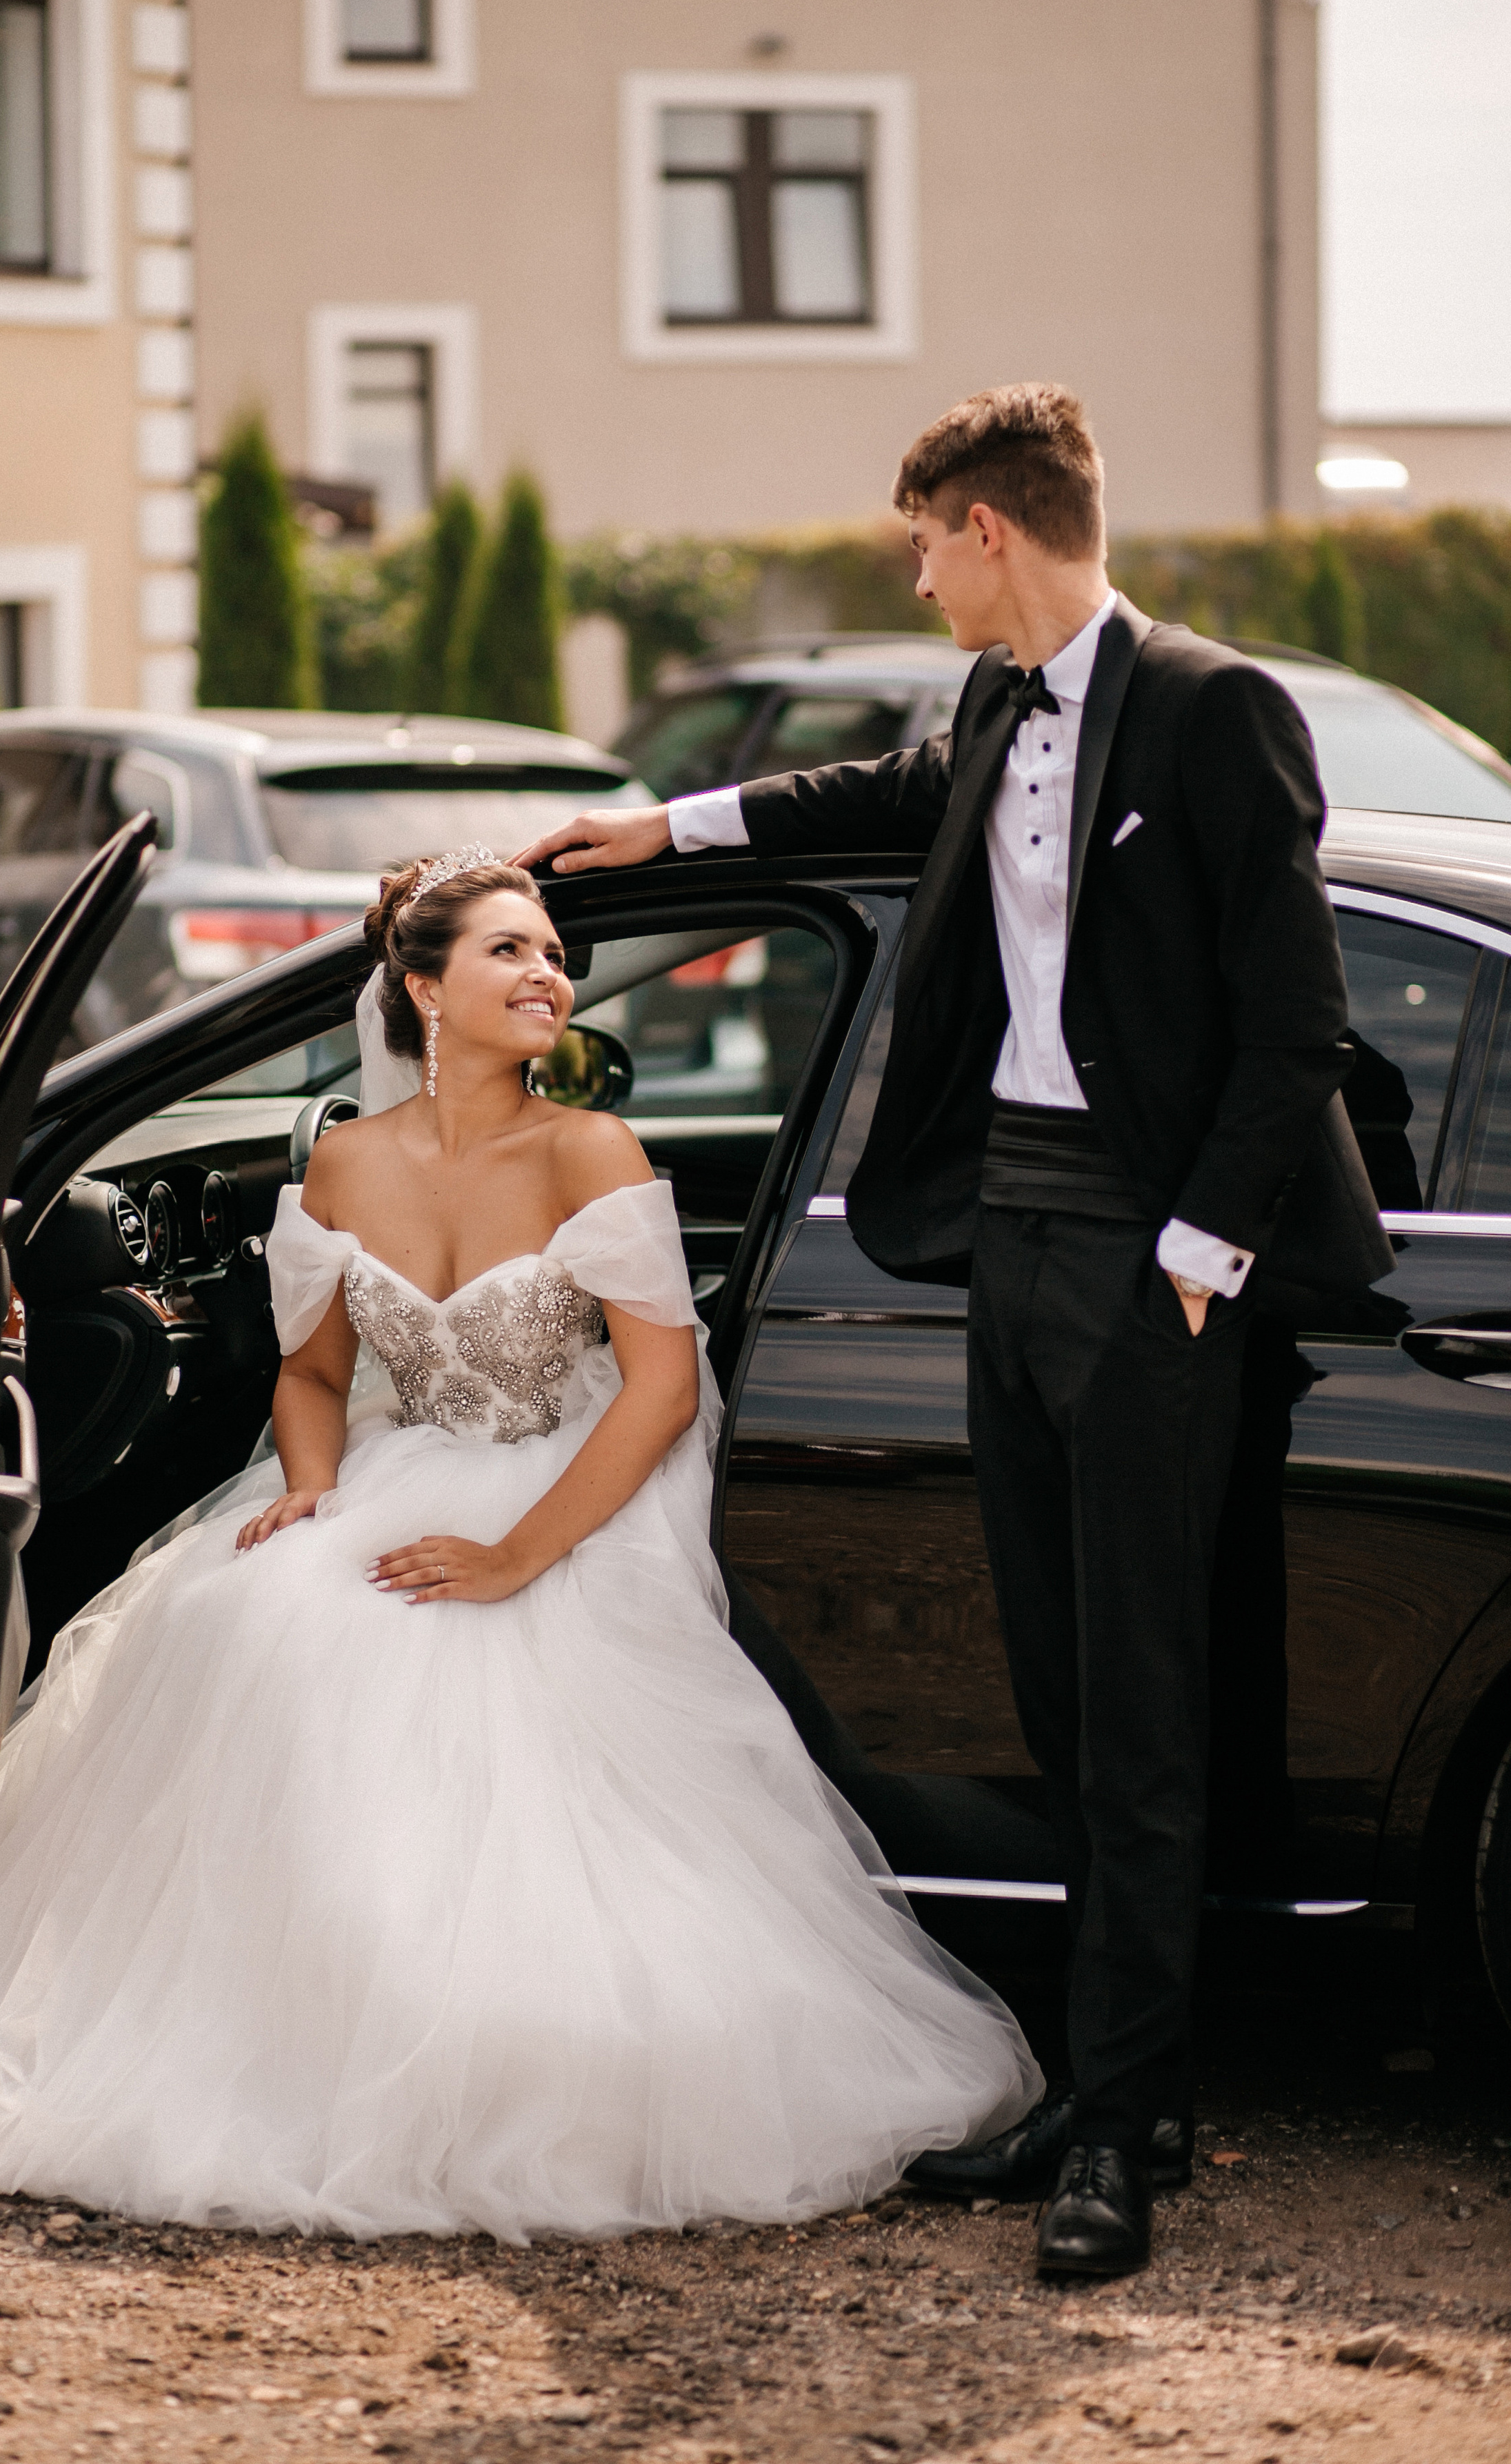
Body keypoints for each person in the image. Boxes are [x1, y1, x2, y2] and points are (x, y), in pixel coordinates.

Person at [0, 849, 1039, 2241]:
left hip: (558, 1481)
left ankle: (458, 2044)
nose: (549, 975)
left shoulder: (586, 1148)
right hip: (391, 1472)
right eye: (511, 952)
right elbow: (309, 1377)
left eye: (553, 955)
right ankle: (265, 2026)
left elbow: (659, 1389)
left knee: (461, 1656)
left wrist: (517, 1556)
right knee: (250, 1615)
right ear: (420, 988)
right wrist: (307, 1487)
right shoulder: (343, 1165)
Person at [515, 386, 1390, 2278]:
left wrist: (1198, 1252)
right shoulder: (997, 706)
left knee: (1148, 1713)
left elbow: (1297, 1022)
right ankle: (1106, 2087)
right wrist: (655, 826)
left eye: (923, 541)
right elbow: (875, 801)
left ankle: (1130, 2137)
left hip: (1150, 1269)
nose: (912, 574)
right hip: (1003, 1240)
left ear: (992, 529)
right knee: (1064, 1698)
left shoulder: (1219, 710)